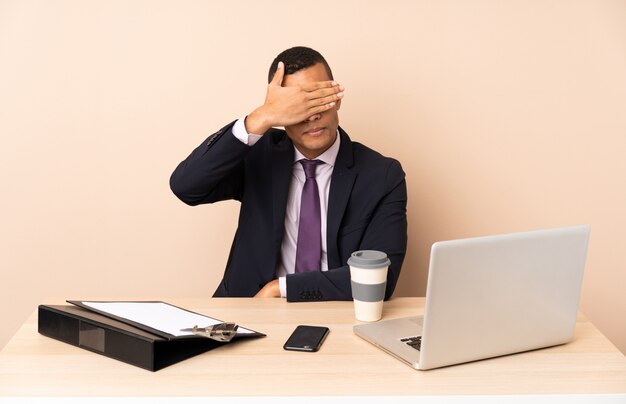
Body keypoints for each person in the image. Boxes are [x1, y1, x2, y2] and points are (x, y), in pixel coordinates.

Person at [170, 46, 407, 302]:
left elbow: (381, 278)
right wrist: (261, 117)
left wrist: (281, 288)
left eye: (319, 98)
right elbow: (186, 186)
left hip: (336, 314)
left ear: (337, 97)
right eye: (297, 105)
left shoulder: (382, 175)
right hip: (248, 312)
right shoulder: (258, 154)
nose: (312, 114)